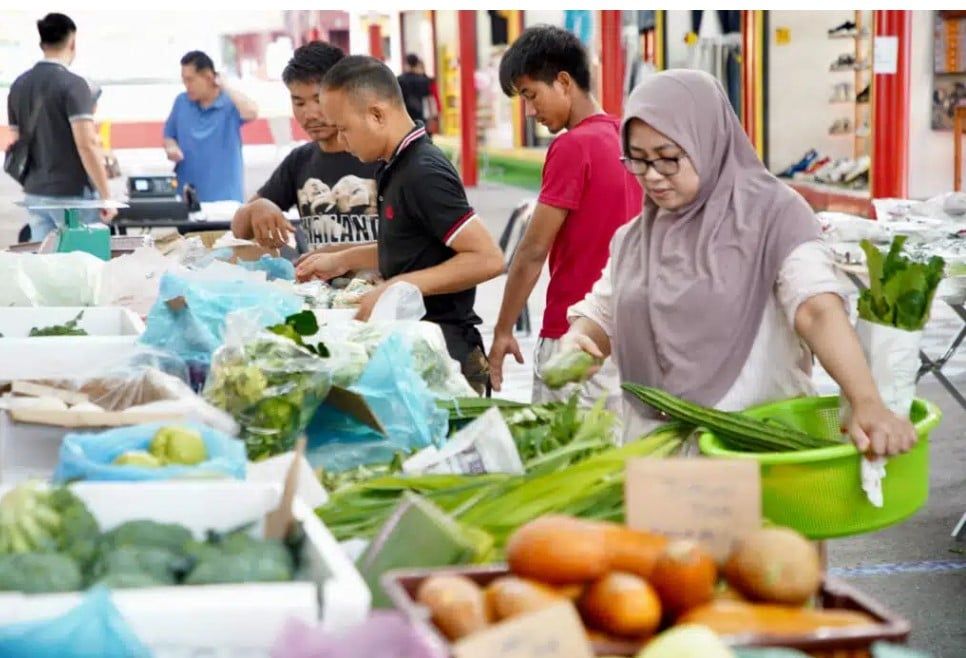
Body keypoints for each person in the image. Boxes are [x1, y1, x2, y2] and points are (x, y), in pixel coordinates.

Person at [563, 69, 916, 457]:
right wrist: (582, 336)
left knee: (765, 524)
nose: (652, 177)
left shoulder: (774, 214)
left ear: (707, 142)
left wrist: (866, 399)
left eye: (667, 159)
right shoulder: (634, 237)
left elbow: (816, 309)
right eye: (638, 160)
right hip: (656, 455)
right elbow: (603, 309)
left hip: (753, 450)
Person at [300, 55, 505, 394]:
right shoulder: (393, 164)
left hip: (445, 352)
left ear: (377, 114)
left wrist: (398, 287)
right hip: (417, 341)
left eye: (344, 129)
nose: (342, 141)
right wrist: (342, 258)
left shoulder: (423, 172)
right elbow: (412, 246)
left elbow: (488, 258)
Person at [488, 25, 642, 408]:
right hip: (629, 336)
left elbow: (533, 250)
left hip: (573, 335)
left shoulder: (572, 146)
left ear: (563, 81)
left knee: (564, 459)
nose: (530, 110)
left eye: (531, 95)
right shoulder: (629, 137)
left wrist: (504, 329)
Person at [230, 41, 380, 257]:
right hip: (316, 289)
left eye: (318, 100)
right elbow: (238, 229)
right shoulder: (299, 161)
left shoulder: (379, 156)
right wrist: (258, 207)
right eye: (299, 103)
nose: (310, 114)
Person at [6, 13, 116, 242]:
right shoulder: (74, 85)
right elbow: (87, 144)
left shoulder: (19, 85)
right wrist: (106, 196)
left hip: (35, 194)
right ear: (72, 41)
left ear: (41, 43)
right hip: (72, 195)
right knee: (85, 263)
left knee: (47, 265)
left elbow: (18, 141)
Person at [163, 50, 258, 203]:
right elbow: (169, 135)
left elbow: (252, 112)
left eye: (190, 80)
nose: (187, 86)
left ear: (208, 77)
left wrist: (225, 85)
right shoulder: (181, 102)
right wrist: (171, 148)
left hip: (225, 199)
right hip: (189, 198)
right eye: (184, 80)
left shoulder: (229, 103)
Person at [397, 54, 432, 128]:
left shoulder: (399, 80)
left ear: (406, 64)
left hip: (405, 117)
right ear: (416, 64)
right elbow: (428, 100)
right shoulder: (424, 81)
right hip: (420, 117)